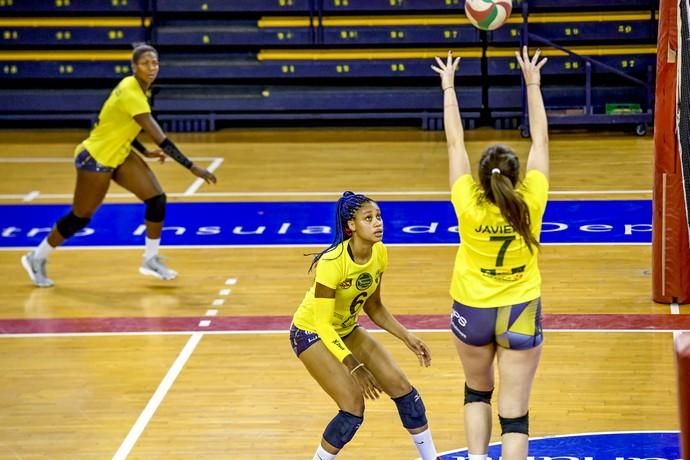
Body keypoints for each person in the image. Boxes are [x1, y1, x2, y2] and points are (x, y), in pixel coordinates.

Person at [431, 47, 549, 460]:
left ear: (481, 178)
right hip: (519, 308)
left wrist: (449, 86)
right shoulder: (531, 198)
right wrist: (531, 82)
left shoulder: (467, 200)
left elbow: (454, 144)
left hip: (473, 307)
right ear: (518, 176)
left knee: (476, 392)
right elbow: (541, 137)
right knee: (515, 416)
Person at [21, 44, 217, 288]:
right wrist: (192, 167)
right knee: (80, 217)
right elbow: (160, 137)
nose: (151, 67)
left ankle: (151, 259)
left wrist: (144, 152)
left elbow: (120, 124)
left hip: (120, 154)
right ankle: (36, 257)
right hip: (96, 158)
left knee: (157, 199)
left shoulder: (136, 89)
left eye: (155, 63)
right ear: (134, 67)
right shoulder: (131, 92)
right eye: (145, 63)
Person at [290, 191, 440, 460]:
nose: (378, 223)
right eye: (368, 218)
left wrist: (407, 337)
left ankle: (431, 457)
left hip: (346, 328)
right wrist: (354, 365)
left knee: (405, 392)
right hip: (310, 332)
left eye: (379, 216)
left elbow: (374, 307)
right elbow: (323, 324)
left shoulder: (379, 253)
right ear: (351, 226)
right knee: (353, 409)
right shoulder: (332, 263)